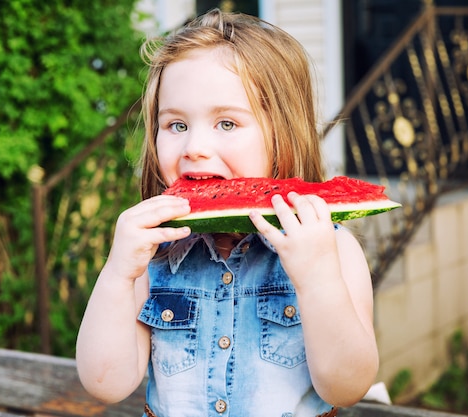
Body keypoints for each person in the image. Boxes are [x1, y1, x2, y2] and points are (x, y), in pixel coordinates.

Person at [75, 8, 378, 417]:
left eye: (227, 123)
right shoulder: (152, 257)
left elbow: (347, 387)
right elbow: (105, 384)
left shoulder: (332, 249)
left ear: (283, 132)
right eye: (176, 125)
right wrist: (117, 275)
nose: (195, 147)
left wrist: (318, 279)